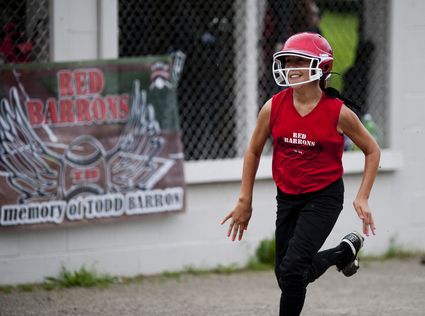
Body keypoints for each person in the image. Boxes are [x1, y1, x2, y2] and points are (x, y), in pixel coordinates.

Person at [221, 32, 380, 316]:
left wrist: (363, 196)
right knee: (286, 276)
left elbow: (372, 150)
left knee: (293, 271)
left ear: (322, 67)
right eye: (287, 61)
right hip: (288, 196)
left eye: (300, 61)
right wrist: (245, 200)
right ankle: (343, 253)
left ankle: (341, 253)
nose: (291, 68)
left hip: (324, 196)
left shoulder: (338, 112)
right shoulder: (273, 107)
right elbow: (253, 152)